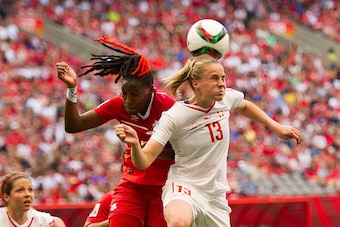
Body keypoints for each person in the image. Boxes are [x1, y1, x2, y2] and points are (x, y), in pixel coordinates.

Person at [115, 54, 303, 227]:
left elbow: (244, 105)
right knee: (178, 223)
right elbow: (144, 160)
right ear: (195, 83)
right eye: (214, 78)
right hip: (184, 186)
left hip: (215, 196)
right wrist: (134, 145)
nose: (221, 83)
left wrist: (276, 127)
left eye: (223, 78)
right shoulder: (174, 116)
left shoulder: (226, 99)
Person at [56, 36, 176, 227]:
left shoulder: (169, 108)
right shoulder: (118, 104)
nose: (127, 100)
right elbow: (73, 125)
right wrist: (72, 88)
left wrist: (147, 148)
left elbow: (185, 151)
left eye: (134, 94)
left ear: (151, 90)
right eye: (124, 92)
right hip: (132, 185)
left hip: (165, 188)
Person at [0, 171, 66, 227]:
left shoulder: (42, 221)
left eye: (30, 190)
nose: (27, 194)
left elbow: (58, 222)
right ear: (6, 197)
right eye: (20, 190)